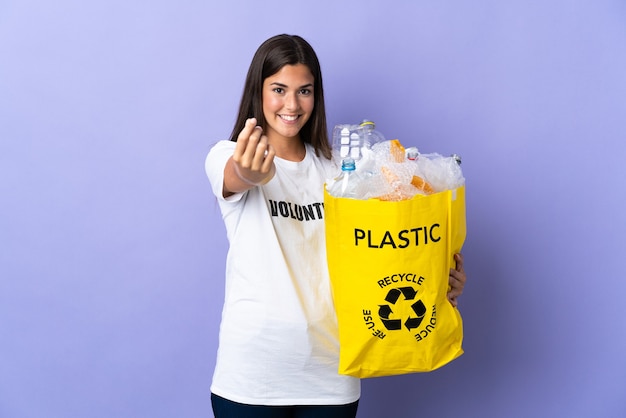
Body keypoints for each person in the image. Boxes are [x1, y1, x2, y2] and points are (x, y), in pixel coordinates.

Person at [205, 34, 467, 418]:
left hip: (331, 373)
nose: (292, 104)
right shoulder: (226, 155)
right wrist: (247, 170)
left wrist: (435, 281)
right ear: (258, 92)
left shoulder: (341, 176)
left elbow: (378, 256)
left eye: (304, 91)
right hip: (253, 373)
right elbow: (236, 177)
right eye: (279, 89)